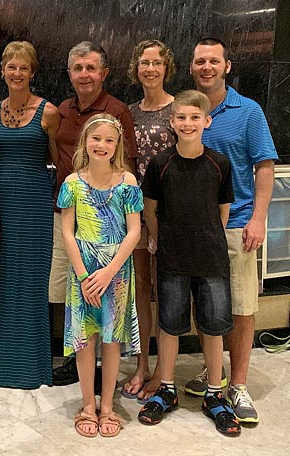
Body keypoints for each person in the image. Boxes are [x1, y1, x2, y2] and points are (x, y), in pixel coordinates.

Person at [184, 38, 278, 423]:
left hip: (237, 225)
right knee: (205, 305)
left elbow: (265, 167)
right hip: (196, 228)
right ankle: (214, 371)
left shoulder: (248, 111)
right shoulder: (187, 110)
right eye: (200, 61)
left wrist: (258, 218)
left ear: (227, 66)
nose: (206, 67)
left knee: (240, 307)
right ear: (191, 67)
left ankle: (237, 384)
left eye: (213, 61)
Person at [138, 90, 240, 435]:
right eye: (181, 117)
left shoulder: (219, 164)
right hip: (172, 259)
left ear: (206, 121)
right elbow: (150, 209)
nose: (187, 123)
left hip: (211, 260)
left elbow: (222, 211)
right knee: (169, 325)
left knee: (213, 327)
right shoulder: (161, 164)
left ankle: (215, 394)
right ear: (172, 122)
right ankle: (167, 389)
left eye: (195, 117)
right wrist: (160, 240)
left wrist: (208, 239)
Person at [52, 41, 138, 389]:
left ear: (104, 73)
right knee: (73, 302)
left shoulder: (118, 110)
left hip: (113, 234)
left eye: (91, 68)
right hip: (73, 216)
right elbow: (56, 153)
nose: (84, 74)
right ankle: (80, 373)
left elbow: (128, 167)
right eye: (78, 68)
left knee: (111, 325)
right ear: (69, 73)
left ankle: (107, 386)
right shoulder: (63, 109)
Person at [58, 113, 142, 437]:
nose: (102, 145)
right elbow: (67, 232)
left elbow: (134, 231)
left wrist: (109, 272)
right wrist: (83, 276)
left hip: (115, 271)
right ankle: (87, 405)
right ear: (85, 142)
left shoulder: (128, 182)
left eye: (109, 140)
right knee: (84, 339)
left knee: (111, 339)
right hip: (83, 270)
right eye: (96, 138)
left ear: (118, 144)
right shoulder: (72, 183)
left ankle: (107, 405)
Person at [0, 41, 60, 389]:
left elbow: (57, 159)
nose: (17, 73)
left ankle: (32, 365)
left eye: (24, 68)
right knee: (3, 275)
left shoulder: (48, 112)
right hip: (1, 201)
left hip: (35, 202)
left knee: (31, 278)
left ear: (32, 72)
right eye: (11, 67)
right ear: (3, 71)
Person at [121, 39, 177, 402]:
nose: (150, 69)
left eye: (157, 62)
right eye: (145, 62)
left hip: (171, 213)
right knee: (141, 287)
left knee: (166, 288)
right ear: (136, 68)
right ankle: (141, 364)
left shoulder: (179, 108)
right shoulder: (129, 112)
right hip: (136, 212)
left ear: (166, 68)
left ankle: (163, 370)